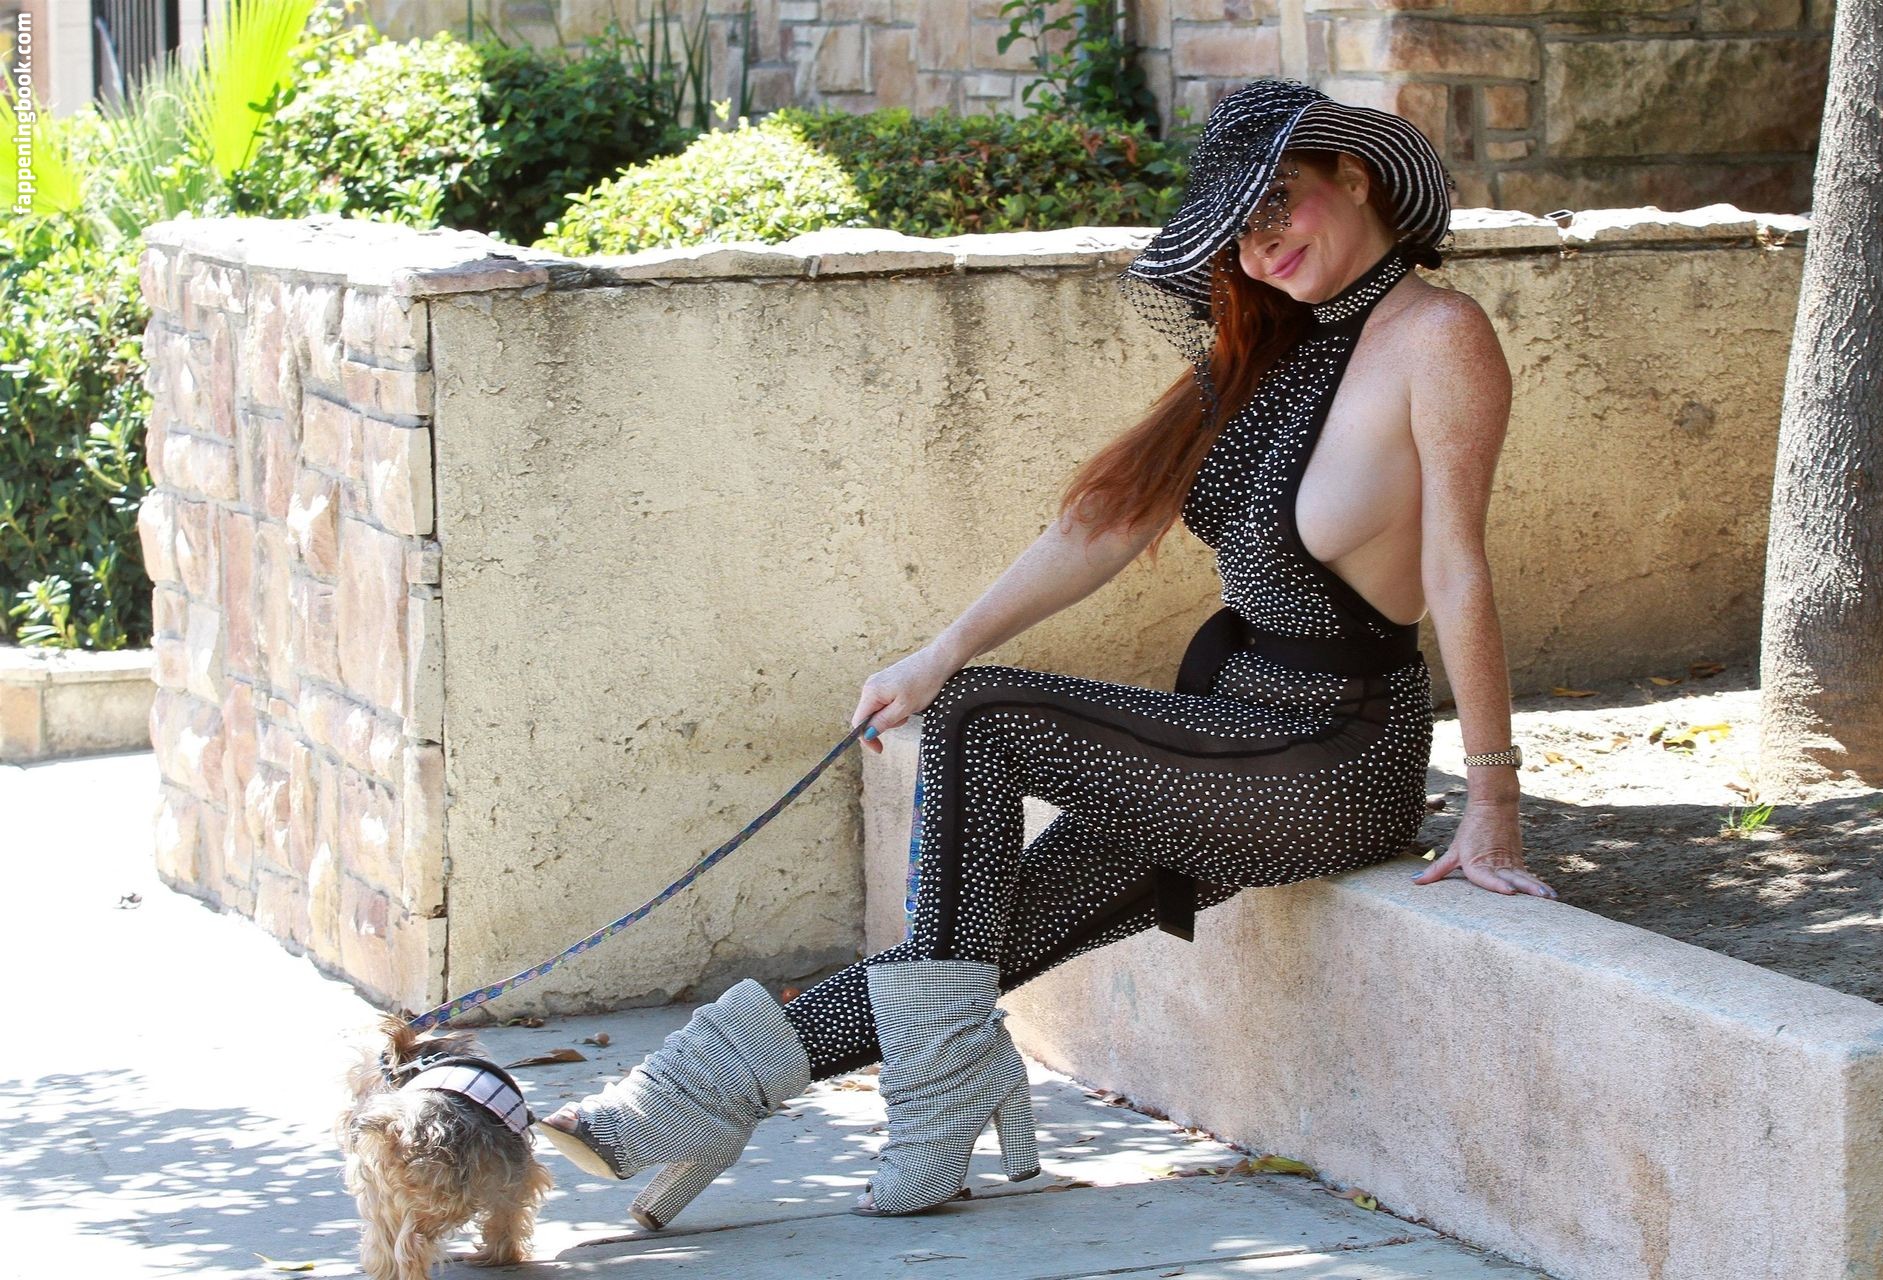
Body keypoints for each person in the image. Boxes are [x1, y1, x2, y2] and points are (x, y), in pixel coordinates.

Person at [533, 78, 1558, 1230]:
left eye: (1278, 208)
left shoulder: (1439, 337)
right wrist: (933, 652)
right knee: (975, 941)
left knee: (985, 721)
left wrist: (1492, 801)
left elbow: (1459, 570)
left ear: (1355, 176)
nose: (1262, 249)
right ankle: (681, 1100)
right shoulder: (1265, 355)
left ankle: (933, 1095)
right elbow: (1100, 528)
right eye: (1239, 235)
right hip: (1231, 735)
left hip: (1335, 755)